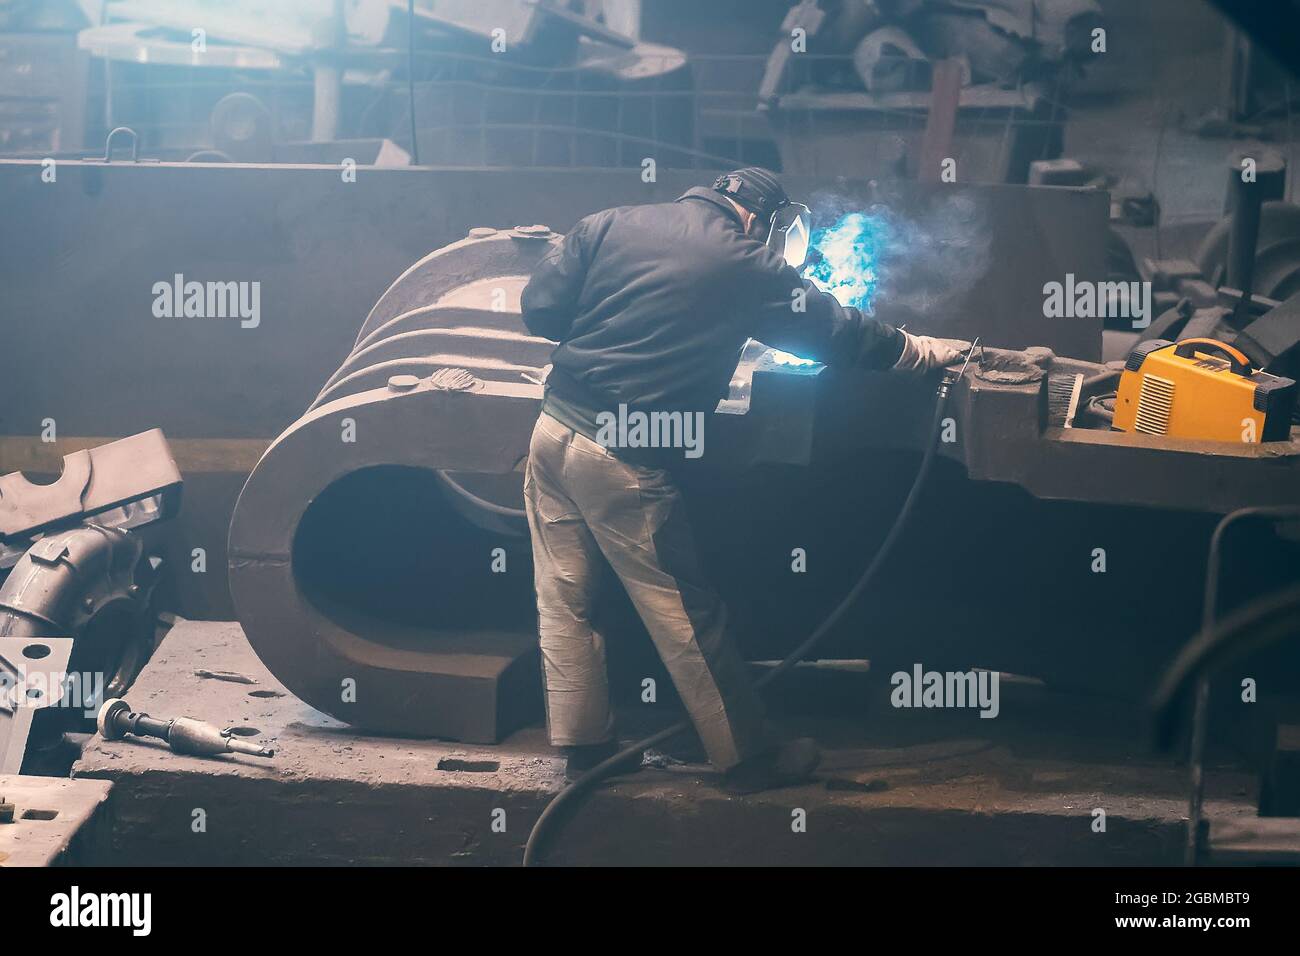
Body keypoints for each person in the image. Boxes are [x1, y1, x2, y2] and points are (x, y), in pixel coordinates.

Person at [520, 167, 966, 791]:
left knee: (563, 596)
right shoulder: (747, 262)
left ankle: (583, 748)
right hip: (623, 453)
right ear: (762, 218)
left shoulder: (608, 222)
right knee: (683, 614)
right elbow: (833, 333)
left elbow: (539, 309)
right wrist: (916, 351)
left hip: (550, 431)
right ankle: (746, 758)